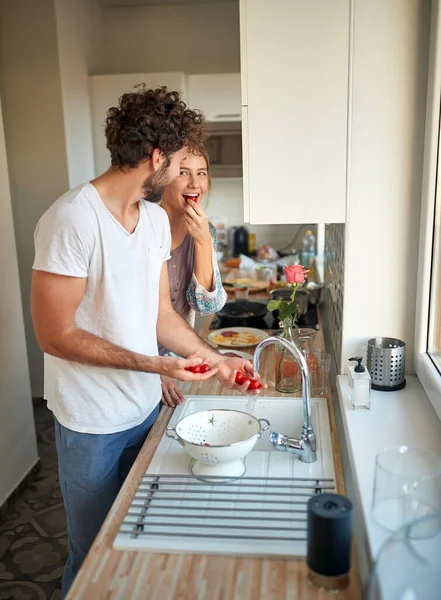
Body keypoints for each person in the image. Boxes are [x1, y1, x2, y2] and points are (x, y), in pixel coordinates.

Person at [30, 86, 261, 598]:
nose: (180, 175)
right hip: (90, 422)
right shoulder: (71, 219)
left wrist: (216, 359)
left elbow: (160, 316)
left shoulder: (154, 219)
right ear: (155, 157)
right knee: (90, 556)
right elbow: (54, 334)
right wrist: (156, 368)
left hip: (145, 416)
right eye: (175, 161)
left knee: (139, 543)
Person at [159, 145, 227, 407]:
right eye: (183, 172)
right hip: (137, 362)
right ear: (162, 176)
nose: (194, 184)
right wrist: (154, 368)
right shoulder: (144, 227)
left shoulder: (204, 230)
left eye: (201, 173)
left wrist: (203, 241)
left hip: (179, 357)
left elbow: (207, 305)